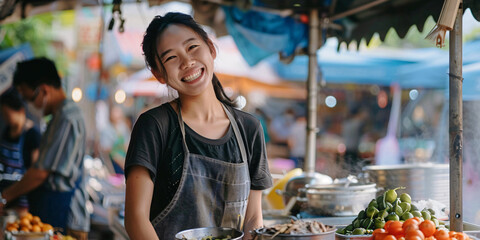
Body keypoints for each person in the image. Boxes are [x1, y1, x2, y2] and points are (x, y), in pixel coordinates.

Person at [124, 12, 273, 240]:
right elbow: (135, 218)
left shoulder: (249, 129)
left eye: (192, 47)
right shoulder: (154, 126)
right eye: (171, 58)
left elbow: (252, 219)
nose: (187, 62)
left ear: (211, 48)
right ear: (158, 74)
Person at [0, 57, 89, 240]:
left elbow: (41, 172)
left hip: (66, 215)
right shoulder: (58, 117)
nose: (30, 105)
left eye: (29, 98)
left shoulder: (67, 118)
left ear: (44, 89)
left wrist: (5, 197)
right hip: (51, 206)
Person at [0, 88, 41, 216]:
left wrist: (9, 195)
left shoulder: (32, 135)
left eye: (8, 115)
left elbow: (35, 170)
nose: (6, 118)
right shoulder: (6, 132)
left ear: (21, 111)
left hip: (24, 204)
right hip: (5, 201)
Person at [99, 105, 131, 174]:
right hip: (112, 160)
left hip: (124, 157)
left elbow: (127, 144)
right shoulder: (106, 130)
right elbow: (106, 149)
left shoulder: (123, 127)